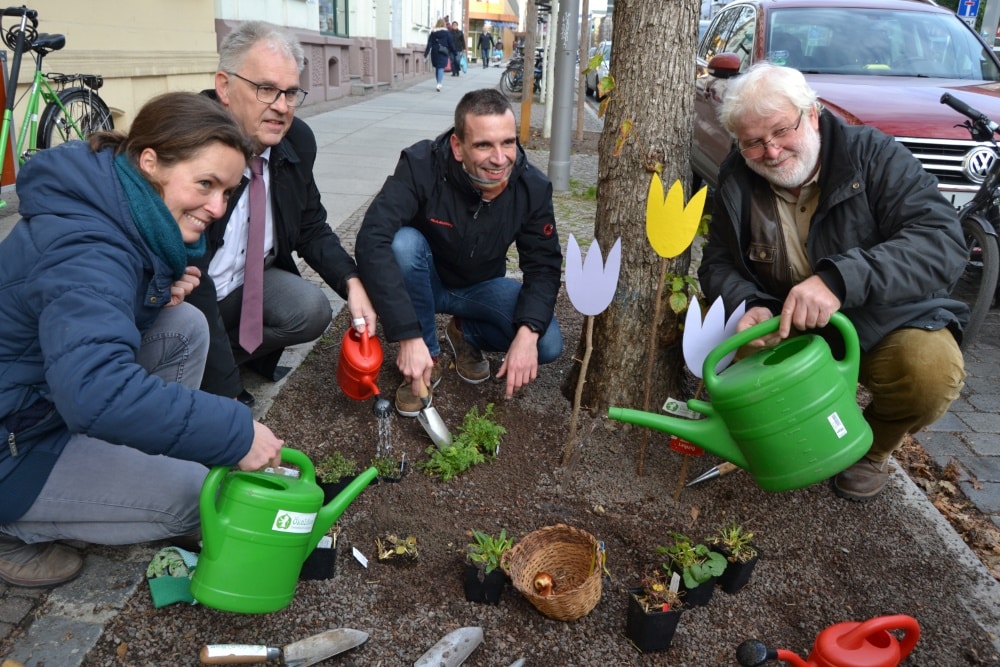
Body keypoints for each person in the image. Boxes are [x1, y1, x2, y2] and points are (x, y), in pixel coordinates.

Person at [0, 92, 285, 588]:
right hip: (12, 442)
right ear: (150, 161)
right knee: (195, 499)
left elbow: (82, 326)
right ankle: (11, 528)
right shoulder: (87, 246)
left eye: (228, 191)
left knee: (184, 328)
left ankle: (100, 474)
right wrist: (234, 432)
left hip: (38, 401)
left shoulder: (117, 202)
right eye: (205, 184)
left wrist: (146, 294)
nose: (217, 207)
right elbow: (96, 390)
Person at [698, 62, 967, 501]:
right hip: (785, 323)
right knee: (718, 334)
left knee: (930, 373)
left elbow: (942, 242)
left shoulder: (873, 155)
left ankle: (872, 449)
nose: (771, 151)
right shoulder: (737, 177)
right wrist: (749, 304)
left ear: (812, 114)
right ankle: (782, 441)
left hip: (880, 319)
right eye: (753, 142)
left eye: (781, 131)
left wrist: (840, 280)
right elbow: (717, 263)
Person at [189, 21, 375, 406]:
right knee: (185, 330)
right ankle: (197, 373)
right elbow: (189, 276)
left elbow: (311, 226)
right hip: (187, 295)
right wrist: (226, 394)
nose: (281, 106)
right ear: (224, 87)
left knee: (310, 310)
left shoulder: (297, 141)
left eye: (290, 92)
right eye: (266, 89)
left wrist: (352, 280)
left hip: (246, 284)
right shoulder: (191, 147)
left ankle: (222, 361)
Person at [355, 88, 563, 417]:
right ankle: (427, 354)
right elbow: (372, 239)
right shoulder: (421, 165)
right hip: (423, 283)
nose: (500, 158)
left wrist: (527, 333)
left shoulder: (531, 187)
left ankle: (464, 334)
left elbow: (544, 266)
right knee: (403, 244)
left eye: (508, 142)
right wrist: (408, 336)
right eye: (484, 145)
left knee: (546, 341)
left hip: (480, 288)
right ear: (457, 146)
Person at [425, 19, 457, 92]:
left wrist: (426, 54)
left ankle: (438, 82)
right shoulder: (447, 33)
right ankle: (439, 83)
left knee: (437, 67)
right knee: (441, 68)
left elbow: (429, 44)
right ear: (444, 25)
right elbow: (451, 43)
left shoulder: (433, 33)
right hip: (443, 52)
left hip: (435, 52)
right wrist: (454, 52)